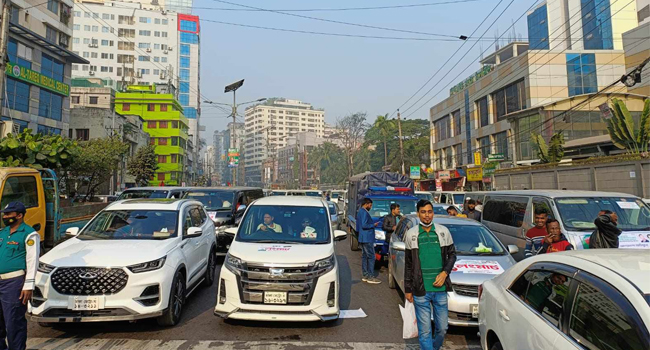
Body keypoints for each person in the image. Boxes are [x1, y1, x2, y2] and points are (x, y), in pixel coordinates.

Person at [404, 200, 457, 350]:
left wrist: (445, 272)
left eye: (429, 212)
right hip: (421, 290)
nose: (427, 216)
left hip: (440, 290)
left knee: (442, 328)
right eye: (423, 212)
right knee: (425, 330)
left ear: (433, 213)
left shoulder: (443, 232)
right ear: (418, 213)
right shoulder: (411, 234)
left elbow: (452, 255)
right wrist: (408, 289)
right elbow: (408, 264)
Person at [0, 202, 39, 350]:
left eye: (8, 214)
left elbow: (32, 260)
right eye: (4, 214)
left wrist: (28, 285)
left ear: (19, 215)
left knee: (13, 322)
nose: (5, 216)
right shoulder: (2, 233)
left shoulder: (29, 234)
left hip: (14, 283)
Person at [356, 198, 380, 284]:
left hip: (362, 237)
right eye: (370, 205)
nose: (371, 207)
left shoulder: (360, 212)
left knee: (365, 256)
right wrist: (373, 225)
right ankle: (370, 276)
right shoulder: (364, 212)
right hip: (367, 238)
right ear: (366, 204)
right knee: (371, 256)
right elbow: (364, 225)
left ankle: (365, 275)